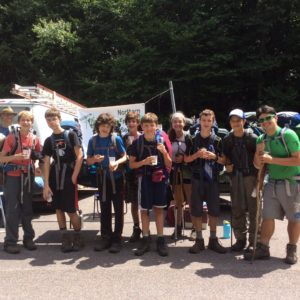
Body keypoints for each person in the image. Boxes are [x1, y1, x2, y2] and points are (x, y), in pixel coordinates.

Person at [244, 105, 300, 264]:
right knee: (267, 217)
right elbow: (257, 165)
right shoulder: (262, 139)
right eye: (261, 120)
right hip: (272, 183)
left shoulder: (288, 135)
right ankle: (263, 248)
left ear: (275, 117)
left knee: (294, 219)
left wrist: (272, 160)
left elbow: (298, 159)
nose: (265, 122)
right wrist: (258, 153)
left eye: (268, 118)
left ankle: (291, 249)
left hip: (292, 182)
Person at [129, 112, 172, 256]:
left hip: (159, 179)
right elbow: (132, 165)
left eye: (151, 125)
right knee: (144, 210)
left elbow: (169, 164)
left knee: (159, 210)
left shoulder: (161, 141)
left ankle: (160, 239)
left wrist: (165, 152)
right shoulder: (137, 143)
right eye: (146, 126)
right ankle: (146, 239)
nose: (148, 128)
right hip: (145, 179)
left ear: (156, 126)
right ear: (142, 126)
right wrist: (144, 162)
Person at [184, 109, 227, 254]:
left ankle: (213, 240)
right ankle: (199, 240)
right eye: (204, 120)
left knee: (214, 211)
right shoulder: (191, 139)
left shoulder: (218, 140)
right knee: (196, 211)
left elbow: (224, 161)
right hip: (196, 179)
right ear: (199, 121)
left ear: (213, 122)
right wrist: (196, 154)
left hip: (213, 179)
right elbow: (186, 159)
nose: (206, 123)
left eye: (209, 120)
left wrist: (214, 157)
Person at [42, 108, 84, 253]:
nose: (51, 122)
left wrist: (74, 176)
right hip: (55, 175)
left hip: (68, 176)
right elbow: (46, 162)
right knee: (58, 208)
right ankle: (65, 237)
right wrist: (46, 184)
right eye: (48, 119)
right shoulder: (49, 140)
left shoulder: (71, 135)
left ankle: (78, 236)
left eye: (53, 119)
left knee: (71, 209)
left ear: (59, 119)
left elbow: (80, 156)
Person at [0, 111, 42, 254]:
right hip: (12, 175)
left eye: (29, 120)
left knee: (27, 208)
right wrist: (16, 156)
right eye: (23, 120)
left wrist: (37, 167)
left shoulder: (35, 139)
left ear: (32, 122)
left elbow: (38, 157)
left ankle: (28, 238)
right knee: (13, 209)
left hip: (28, 175)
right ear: (19, 122)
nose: (26, 123)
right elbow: (1, 158)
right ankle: (10, 241)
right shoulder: (11, 138)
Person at [87, 113, 127, 253]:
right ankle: (105, 237)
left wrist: (116, 162)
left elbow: (125, 157)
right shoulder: (93, 141)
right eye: (103, 125)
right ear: (98, 126)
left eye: (108, 125)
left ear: (111, 127)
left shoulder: (116, 139)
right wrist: (95, 160)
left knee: (118, 209)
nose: (105, 128)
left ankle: (117, 239)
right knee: (104, 208)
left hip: (116, 178)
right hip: (102, 177)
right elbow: (88, 160)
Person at [223, 109, 258, 252]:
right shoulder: (227, 139)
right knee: (237, 208)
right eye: (233, 121)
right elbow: (226, 156)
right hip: (235, 177)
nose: (236, 123)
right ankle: (240, 239)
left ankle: (254, 241)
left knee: (254, 210)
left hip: (251, 177)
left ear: (244, 121)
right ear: (230, 122)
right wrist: (227, 164)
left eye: (238, 120)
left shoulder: (253, 138)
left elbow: (260, 159)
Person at [168, 112, 192, 239]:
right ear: (172, 124)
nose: (177, 124)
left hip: (188, 171)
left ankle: (194, 228)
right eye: (175, 121)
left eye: (179, 121)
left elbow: (193, 153)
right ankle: (178, 227)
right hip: (175, 171)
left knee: (191, 199)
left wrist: (183, 158)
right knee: (178, 201)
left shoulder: (189, 137)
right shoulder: (168, 138)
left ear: (184, 123)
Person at [123, 111, 142, 242]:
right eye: (129, 121)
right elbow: (122, 155)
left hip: (142, 172)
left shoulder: (143, 136)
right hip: (129, 174)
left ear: (138, 123)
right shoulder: (123, 137)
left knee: (145, 203)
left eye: (134, 121)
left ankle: (146, 228)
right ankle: (136, 228)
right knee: (134, 203)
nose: (131, 123)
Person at [0, 106, 17, 227]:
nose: (9, 117)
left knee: (12, 194)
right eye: (6, 114)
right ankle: (3, 220)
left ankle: (11, 219)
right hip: (1, 166)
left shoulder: (15, 130)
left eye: (11, 115)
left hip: (12, 165)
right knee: (2, 193)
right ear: (1, 116)